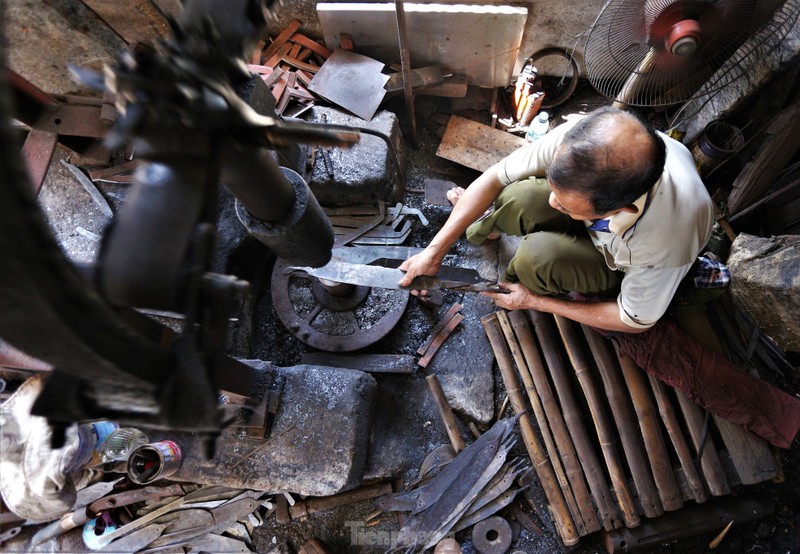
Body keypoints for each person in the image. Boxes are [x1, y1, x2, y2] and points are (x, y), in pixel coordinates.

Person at [398, 106, 714, 333]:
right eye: (555, 189)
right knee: (518, 197)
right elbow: (495, 177)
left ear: (618, 211)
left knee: (537, 259)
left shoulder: (668, 241)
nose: (552, 201)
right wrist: (433, 252)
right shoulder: (583, 140)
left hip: (620, 259)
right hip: (603, 213)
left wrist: (534, 301)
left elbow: (631, 320)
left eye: (565, 204)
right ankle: (487, 227)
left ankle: (523, 279)